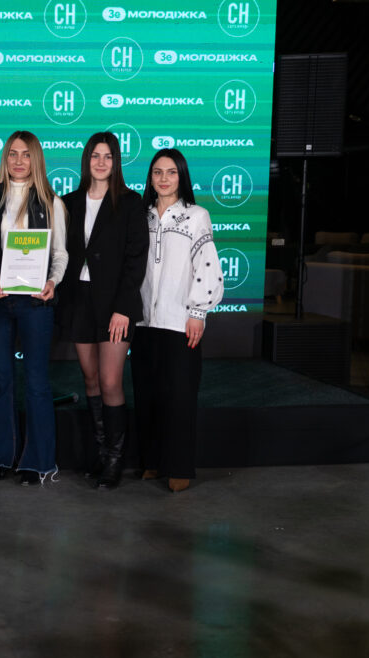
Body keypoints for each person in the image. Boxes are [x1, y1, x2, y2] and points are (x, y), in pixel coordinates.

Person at [58, 132, 148, 489]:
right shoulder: (68, 202)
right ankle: (100, 452)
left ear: (116, 162)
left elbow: (135, 260)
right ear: (87, 160)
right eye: (95, 155)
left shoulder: (130, 203)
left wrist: (124, 309)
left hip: (115, 305)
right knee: (91, 379)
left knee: (111, 381)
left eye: (108, 156)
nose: (101, 162)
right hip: (79, 300)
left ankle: (115, 459)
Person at [0, 132, 68, 486]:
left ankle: (38, 462)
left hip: (36, 303)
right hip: (0, 302)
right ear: (5, 159)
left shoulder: (52, 202)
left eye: (26, 154)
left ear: (36, 159)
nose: (18, 161)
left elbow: (60, 254)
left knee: (36, 382)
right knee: (1, 380)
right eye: (13, 154)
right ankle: (1, 458)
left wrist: (53, 282)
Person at [132, 148, 223, 492]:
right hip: (144, 322)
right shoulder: (141, 216)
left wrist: (198, 312)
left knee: (180, 397)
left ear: (181, 176)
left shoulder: (196, 216)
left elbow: (207, 264)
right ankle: (152, 462)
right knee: (147, 395)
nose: (164, 178)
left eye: (171, 172)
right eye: (157, 172)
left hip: (180, 321)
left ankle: (179, 467)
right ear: (150, 177)